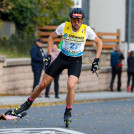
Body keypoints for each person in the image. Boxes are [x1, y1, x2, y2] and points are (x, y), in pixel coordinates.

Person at [7, 8, 103, 127]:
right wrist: (48, 55)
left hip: (76, 61)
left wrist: (96, 60)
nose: (77, 22)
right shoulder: (64, 27)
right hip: (62, 58)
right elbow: (51, 38)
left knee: (70, 85)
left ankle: (68, 111)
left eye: (79, 20)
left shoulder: (86, 29)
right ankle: (25, 105)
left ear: (82, 20)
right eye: (74, 19)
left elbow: (99, 42)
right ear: (71, 19)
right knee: (42, 84)